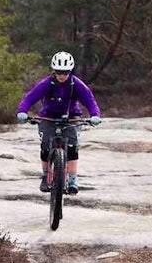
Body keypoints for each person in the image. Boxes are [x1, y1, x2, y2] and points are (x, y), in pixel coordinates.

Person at [15, 51, 102, 194]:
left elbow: (89, 100)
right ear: (54, 71)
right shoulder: (47, 83)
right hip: (48, 117)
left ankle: (72, 179)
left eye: (65, 72)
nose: (62, 76)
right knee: (45, 147)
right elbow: (30, 98)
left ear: (70, 72)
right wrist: (22, 111)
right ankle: (45, 175)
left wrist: (95, 115)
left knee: (73, 147)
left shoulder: (76, 84)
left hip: (71, 117)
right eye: (59, 72)